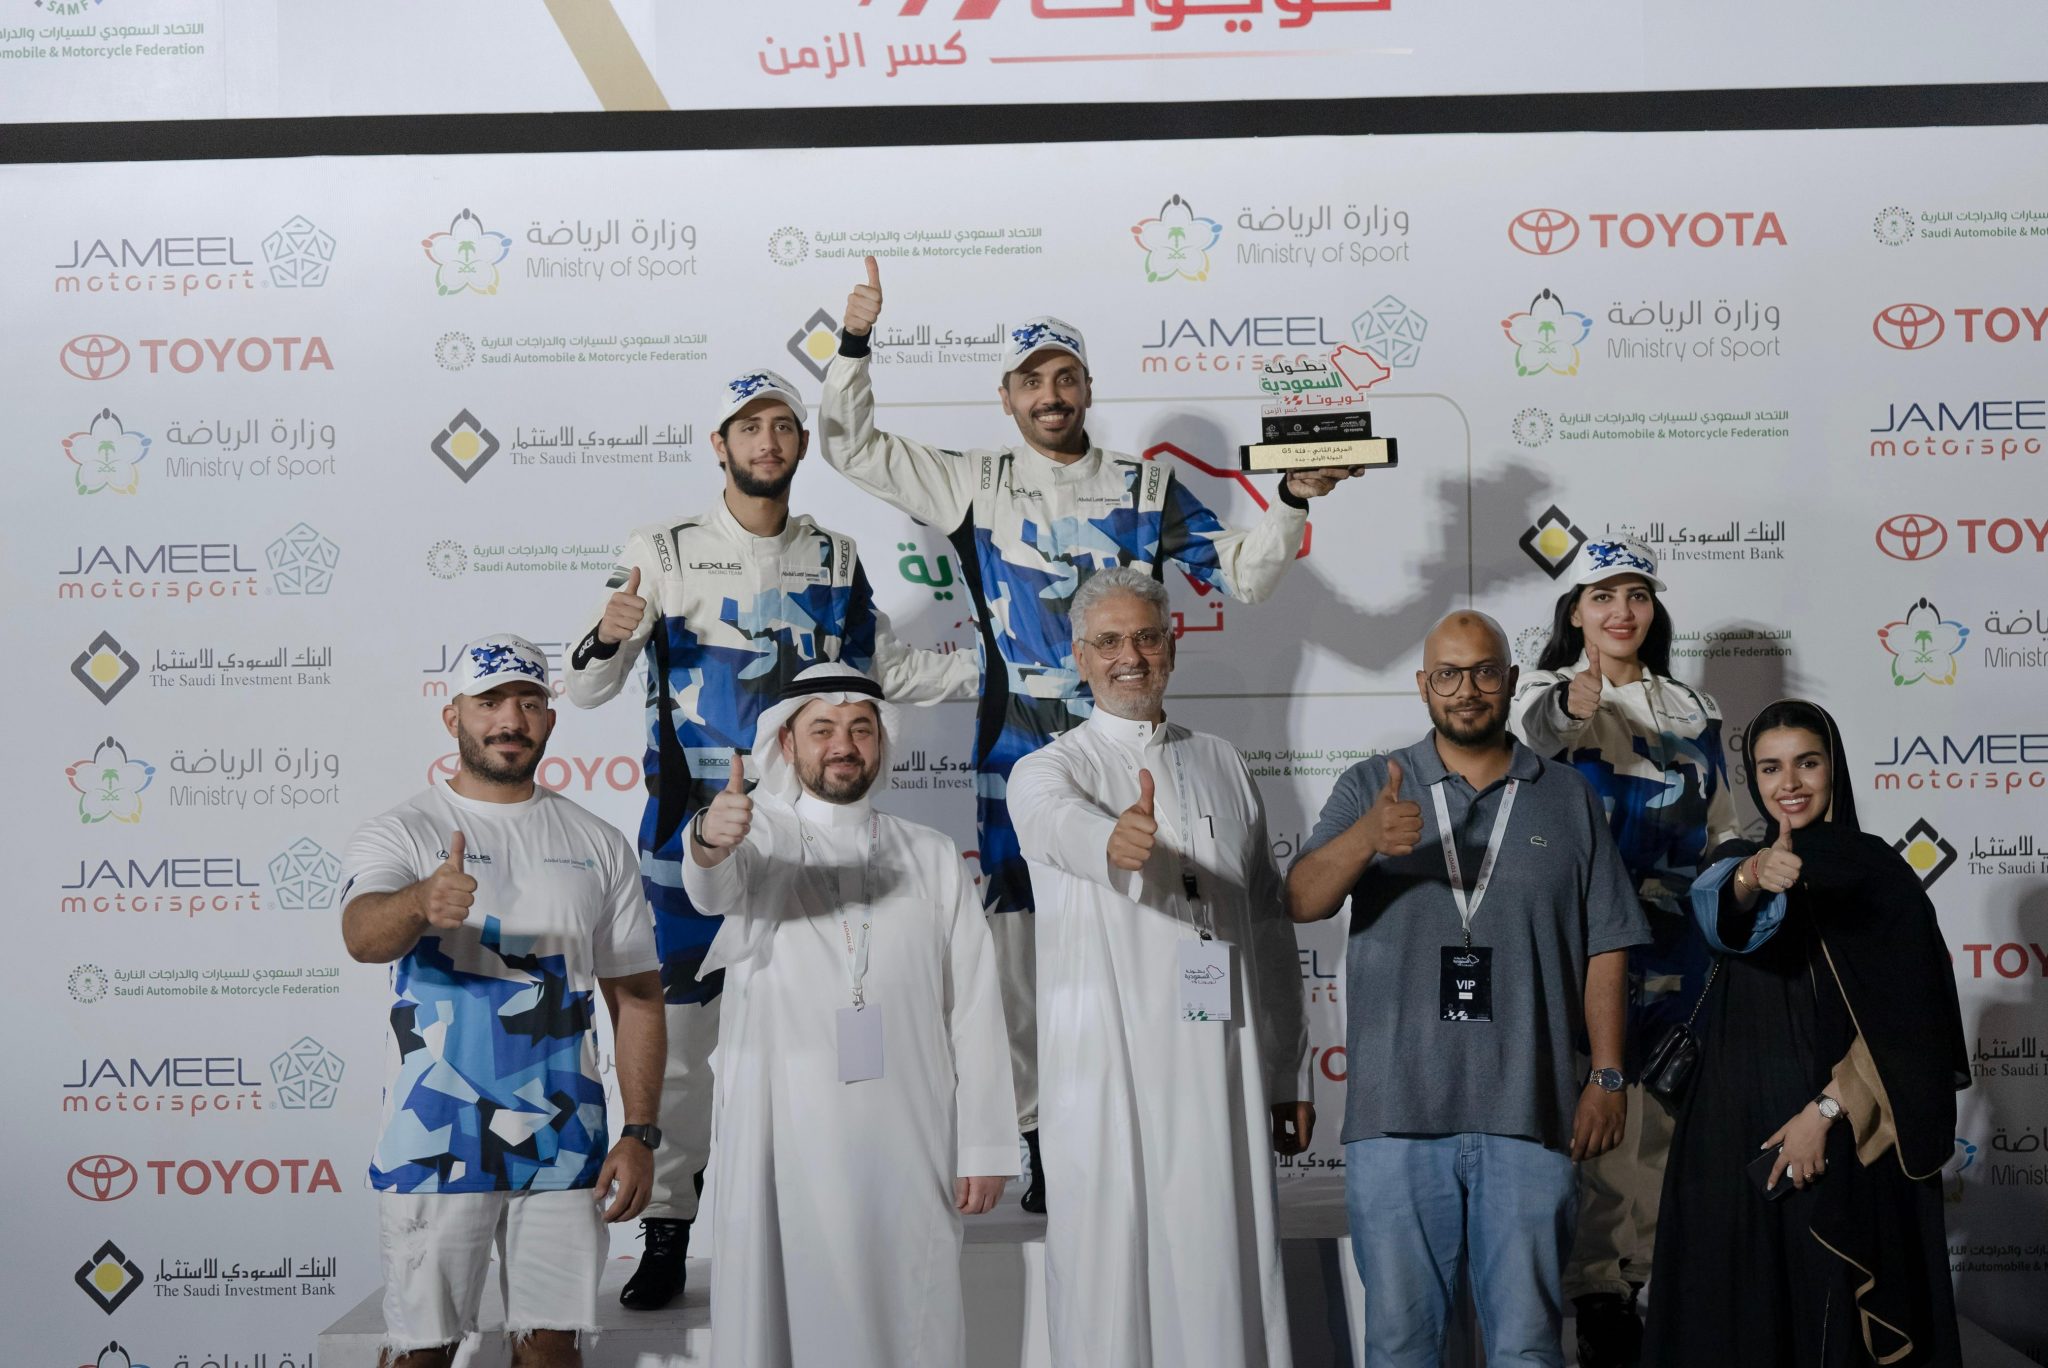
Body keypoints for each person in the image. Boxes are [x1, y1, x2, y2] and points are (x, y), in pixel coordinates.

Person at [820, 257, 1354, 1209]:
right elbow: (852, 448)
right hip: (1019, 751)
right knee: (1021, 950)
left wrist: (1294, 501)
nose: (1051, 394)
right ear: (1007, 398)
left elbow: (1244, 575)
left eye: (1065, 376)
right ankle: (1038, 1136)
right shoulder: (975, 481)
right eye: (1032, 380)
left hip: (1135, 751)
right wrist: (855, 340)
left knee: (1158, 923)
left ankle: (1163, 1112)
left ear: (1089, 388)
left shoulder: (1147, 489)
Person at [564, 368, 976, 1308]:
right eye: (748, 427)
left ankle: (818, 1218)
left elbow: (883, 668)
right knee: (681, 1043)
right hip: (687, 839)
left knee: (817, 1023)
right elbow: (586, 686)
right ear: (720, 445)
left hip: (803, 842)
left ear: (798, 443)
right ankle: (669, 1228)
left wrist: (997, 668)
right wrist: (608, 635)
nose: (768, 442)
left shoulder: (834, 555)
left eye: (783, 426)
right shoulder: (661, 550)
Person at [1287, 610, 1648, 1368]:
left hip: (1531, 1114)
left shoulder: (1566, 795)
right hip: (1395, 1118)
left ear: (1511, 681)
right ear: (1423, 685)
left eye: (1484, 672)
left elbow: (1608, 944)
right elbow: (1302, 900)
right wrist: (1366, 839)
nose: (1467, 690)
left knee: (1527, 1346)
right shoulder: (1372, 784)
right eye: (1448, 675)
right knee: (1400, 1346)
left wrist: (1608, 1075)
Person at [1007, 568, 1310, 1368]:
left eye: (1145, 637)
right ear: (1080, 657)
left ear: (1171, 648)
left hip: (1222, 1064)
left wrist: (1286, 1071)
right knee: (1111, 1272)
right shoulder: (1049, 768)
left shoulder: (1222, 760)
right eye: (1109, 642)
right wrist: (1110, 840)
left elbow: (1268, 924)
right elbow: (1052, 825)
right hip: (1106, 1073)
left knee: (1223, 1260)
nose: (1130, 657)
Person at [339, 634, 665, 1368]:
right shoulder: (403, 830)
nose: (509, 720)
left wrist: (640, 1133)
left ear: (549, 717)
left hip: (563, 1140)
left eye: (527, 702)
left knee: (552, 1352)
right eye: (488, 702)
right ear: (452, 715)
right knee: (421, 1354)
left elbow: (639, 995)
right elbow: (362, 936)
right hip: (435, 1139)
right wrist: (419, 902)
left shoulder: (598, 841)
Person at [680, 663, 1016, 1367]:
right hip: (784, 1135)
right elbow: (711, 887)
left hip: (909, 1130)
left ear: (881, 742)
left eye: (861, 729)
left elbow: (976, 1006)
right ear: (787, 744)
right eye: (823, 729)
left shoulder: (931, 854)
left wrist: (984, 1145)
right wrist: (709, 836)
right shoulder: (759, 839)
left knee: (910, 1304)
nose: (844, 744)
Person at [1643, 700, 1968, 1367]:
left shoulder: (1881, 875)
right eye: (1770, 768)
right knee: (1734, 1313)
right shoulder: (1739, 859)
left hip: (1837, 1133)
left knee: (1825, 1313)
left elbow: (1914, 1023)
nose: (1788, 783)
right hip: (1728, 1136)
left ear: (1833, 768)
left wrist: (1823, 1113)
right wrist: (1754, 876)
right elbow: (1721, 913)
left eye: (1806, 763)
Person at [1507, 536, 1738, 1366]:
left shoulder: (1695, 705)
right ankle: (1595, 1290)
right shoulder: (1542, 692)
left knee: (1660, 1114)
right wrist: (1577, 702)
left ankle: (1638, 1282)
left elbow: (1724, 824)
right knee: (1593, 1113)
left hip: (1681, 936)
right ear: (1575, 612)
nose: (1621, 611)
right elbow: (1541, 732)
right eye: (1602, 596)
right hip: (1584, 937)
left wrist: (1741, 888)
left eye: (1636, 594)